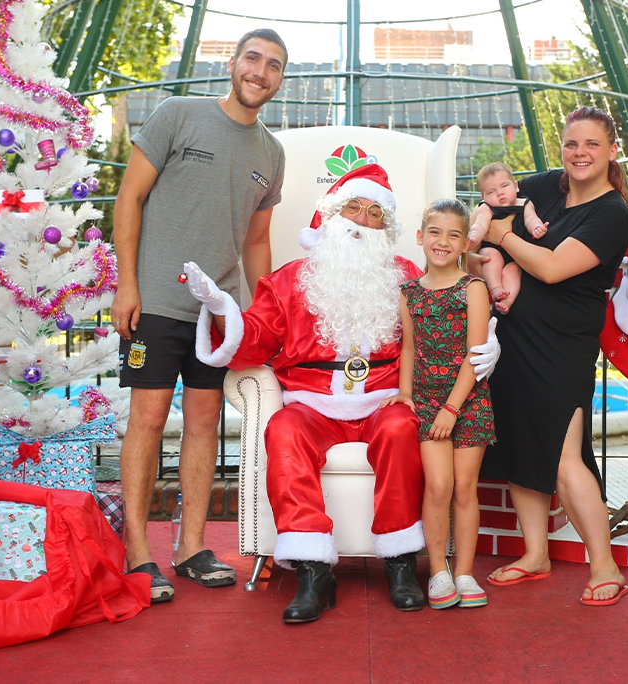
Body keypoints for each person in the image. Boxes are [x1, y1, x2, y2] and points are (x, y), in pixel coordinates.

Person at [183, 164, 501, 624]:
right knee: (283, 430)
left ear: (387, 227)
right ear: (331, 214)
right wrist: (220, 308)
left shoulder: (407, 276)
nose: (361, 220)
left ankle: (399, 561)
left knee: (400, 427)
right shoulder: (292, 279)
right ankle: (313, 569)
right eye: (353, 207)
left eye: (374, 213)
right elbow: (254, 337)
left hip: (383, 397)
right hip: (311, 403)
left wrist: (489, 344)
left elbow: (446, 321)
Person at [111, 28, 288, 603]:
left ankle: (190, 547)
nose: (261, 72)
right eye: (253, 59)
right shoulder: (177, 114)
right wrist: (127, 285)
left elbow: (258, 242)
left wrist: (260, 314)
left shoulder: (271, 153)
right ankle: (139, 550)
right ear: (233, 63)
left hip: (220, 314)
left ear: (281, 81)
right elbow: (128, 198)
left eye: (274, 67)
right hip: (158, 300)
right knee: (148, 418)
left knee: (207, 422)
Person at [476, 106, 628, 606]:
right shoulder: (546, 187)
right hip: (514, 338)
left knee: (566, 457)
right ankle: (535, 554)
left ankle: (605, 566)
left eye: (591, 144)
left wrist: (501, 236)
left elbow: (549, 268)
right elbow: (489, 201)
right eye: (571, 144)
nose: (580, 153)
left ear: (611, 151)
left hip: (563, 347)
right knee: (522, 443)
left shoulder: (611, 214)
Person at [382, 198, 495, 609]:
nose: (442, 241)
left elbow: (474, 354)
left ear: (465, 243)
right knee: (439, 485)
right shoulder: (409, 292)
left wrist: (452, 409)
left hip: (467, 403)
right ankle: (438, 571)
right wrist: (407, 394)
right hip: (429, 404)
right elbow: (409, 348)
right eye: (435, 232)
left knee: (465, 488)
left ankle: (463, 571)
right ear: (420, 237)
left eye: (453, 235)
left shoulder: (474, 288)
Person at [468, 163, 548, 314]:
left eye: (504, 186)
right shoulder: (486, 207)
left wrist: (537, 227)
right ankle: (495, 288)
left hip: (514, 255)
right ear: (483, 197)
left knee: (514, 270)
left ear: (516, 186)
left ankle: (507, 301)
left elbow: (531, 219)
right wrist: (474, 236)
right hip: (493, 247)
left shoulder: (523, 203)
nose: (500, 193)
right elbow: (480, 224)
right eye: (491, 191)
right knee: (491, 257)